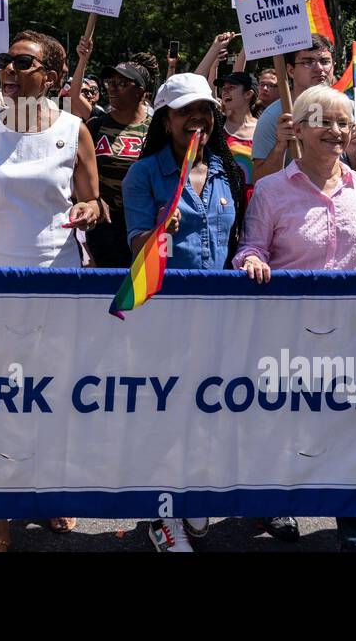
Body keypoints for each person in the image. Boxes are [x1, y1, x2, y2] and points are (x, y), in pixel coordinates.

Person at [0, 30, 103, 551]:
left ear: (53, 77)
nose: (11, 71)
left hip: (57, 280)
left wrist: (88, 210)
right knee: (0, 396)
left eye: (24, 63)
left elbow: (92, 202)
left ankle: (48, 494)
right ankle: (0, 514)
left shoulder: (75, 129)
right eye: (6, 61)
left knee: (52, 393)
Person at [235, 84, 356, 551]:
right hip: (285, 330)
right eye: (323, 121)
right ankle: (276, 500)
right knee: (284, 420)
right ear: (300, 129)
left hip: (352, 333)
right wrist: (249, 262)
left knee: (352, 427)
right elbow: (252, 246)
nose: (335, 130)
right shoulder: (270, 190)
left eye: (343, 123)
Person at [121, 73, 246, 552]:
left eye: (206, 110)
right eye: (185, 110)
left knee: (209, 408)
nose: (197, 118)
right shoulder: (145, 174)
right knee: (167, 411)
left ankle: (193, 493)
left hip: (218, 314)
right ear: (166, 119)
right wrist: (156, 234)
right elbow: (134, 245)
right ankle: (163, 513)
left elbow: (238, 239)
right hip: (165, 315)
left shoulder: (227, 170)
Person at [252, 36, 356, 183]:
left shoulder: (351, 109)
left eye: (325, 62)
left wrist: (355, 155)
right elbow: (259, 180)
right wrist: (280, 147)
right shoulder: (274, 117)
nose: (319, 68)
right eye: (308, 62)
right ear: (291, 70)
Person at [84, 58, 153, 268]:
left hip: (143, 225)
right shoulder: (96, 126)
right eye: (110, 82)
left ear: (141, 92)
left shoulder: (156, 131)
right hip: (105, 227)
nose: (112, 88)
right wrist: (92, 200)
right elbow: (80, 174)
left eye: (122, 84)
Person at [217, 71, 258, 192]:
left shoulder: (264, 128)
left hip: (254, 202)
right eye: (223, 88)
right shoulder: (218, 125)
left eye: (231, 87)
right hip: (224, 201)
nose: (225, 91)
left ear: (248, 94)